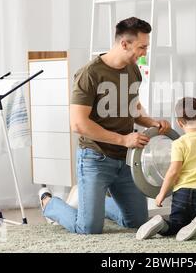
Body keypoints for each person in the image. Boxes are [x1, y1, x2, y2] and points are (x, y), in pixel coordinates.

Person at [38, 17, 171, 234]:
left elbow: (132, 106)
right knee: (88, 227)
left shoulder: (133, 70)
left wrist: (150, 121)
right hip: (95, 158)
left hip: (126, 159)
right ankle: (49, 203)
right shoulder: (89, 74)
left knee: (137, 221)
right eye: (142, 47)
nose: (145, 53)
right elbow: (78, 124)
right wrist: (124, 139)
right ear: (124, 44)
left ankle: (92, 206)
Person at [136, 97, 196, 241]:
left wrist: (161, 194)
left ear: (180, 123)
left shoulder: (179, 143)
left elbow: (173, 171)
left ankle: (161, 224)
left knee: (175, 226)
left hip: (182, 194)